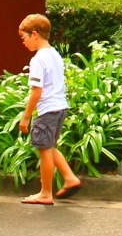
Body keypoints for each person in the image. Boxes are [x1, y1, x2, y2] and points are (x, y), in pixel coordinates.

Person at [17, 14, 81, 204]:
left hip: (47, 109)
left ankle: (46, 193)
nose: (24, 42)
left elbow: (37, 91)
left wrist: (26, 117)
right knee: (49, 146)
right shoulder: (54, 54)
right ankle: (69, 178)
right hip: (60, 106)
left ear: (34, 34)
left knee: (43, 149)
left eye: (24, 38)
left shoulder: (38, 59)